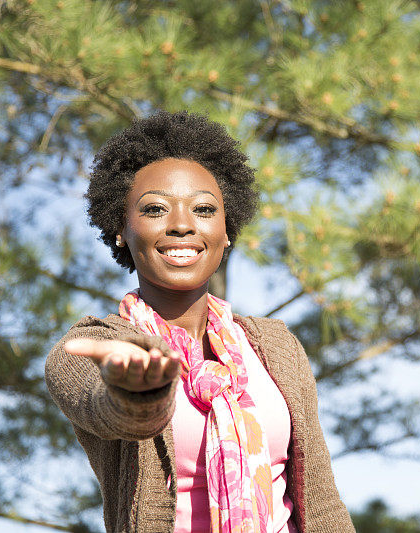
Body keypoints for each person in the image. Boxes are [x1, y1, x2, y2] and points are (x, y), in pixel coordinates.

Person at [45, 110, 354, 533]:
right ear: (121, 228)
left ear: (226, 229)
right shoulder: (91, 347)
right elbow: (108, 408)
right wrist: (139, 389)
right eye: (155, 209)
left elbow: (322, 504)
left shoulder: (278, 346)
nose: (182, 225)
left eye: (203, 209)